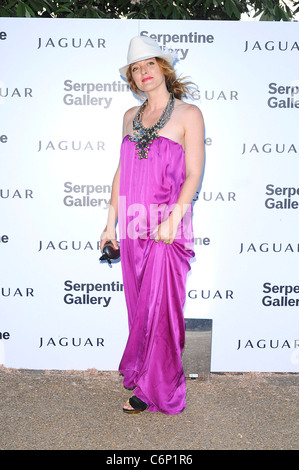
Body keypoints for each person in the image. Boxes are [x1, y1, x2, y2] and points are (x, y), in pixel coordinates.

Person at [100, 36, 204, 415]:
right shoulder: (129, 116)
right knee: (140, 308)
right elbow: (121, 170)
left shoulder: (188, 114)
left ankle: (157, 389)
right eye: (135, 69)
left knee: (162, 311)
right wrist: (109, 224)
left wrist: (174, 217)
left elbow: (193, 174)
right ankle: (145, 374)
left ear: (163, 67)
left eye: (148, 65)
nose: (143, 73)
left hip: (167, 225)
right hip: (130, 226)